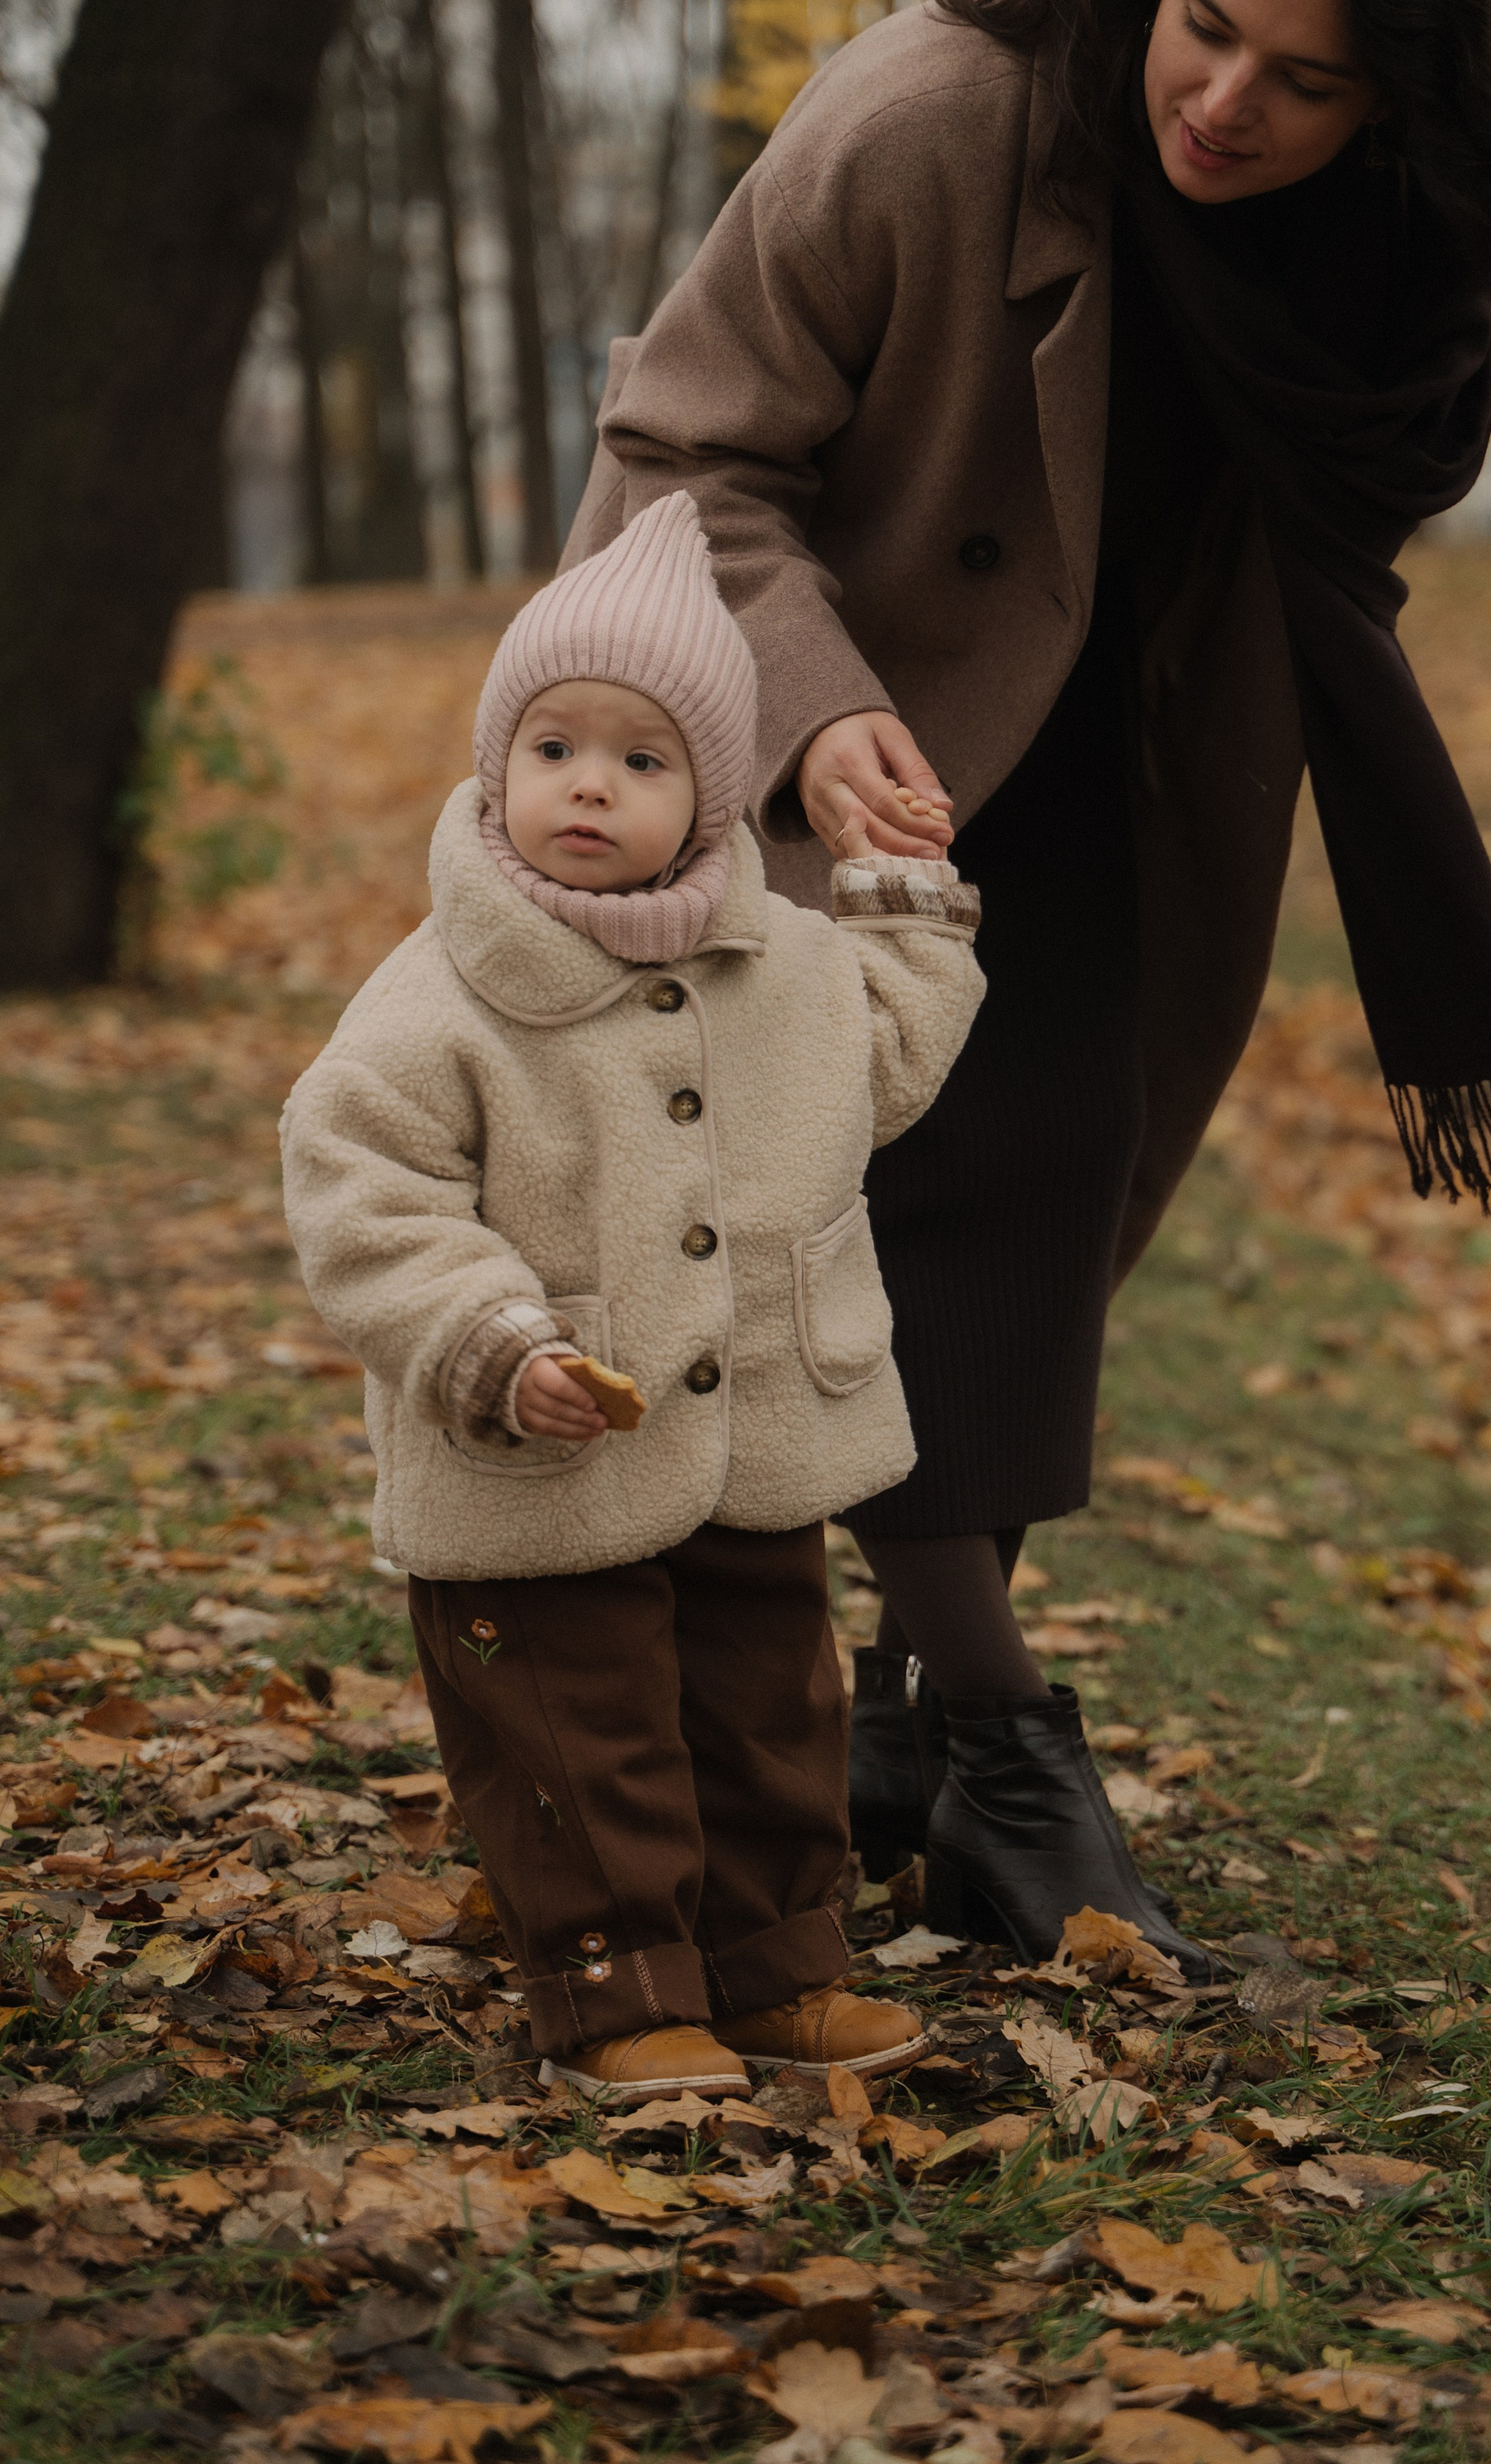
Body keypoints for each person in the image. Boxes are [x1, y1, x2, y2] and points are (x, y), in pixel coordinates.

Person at [561, 0, 1491, 1974]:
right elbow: (685, 449)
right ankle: (1016, 1759)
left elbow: (1381, 478)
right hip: (845, 753)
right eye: (1205, 29)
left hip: (1144, 764)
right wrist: (819, 694)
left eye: (1309, 81)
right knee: (930, 1230)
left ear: (1402, 106)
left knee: (1035, 1250)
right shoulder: (929, 118)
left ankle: (894, 1749)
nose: (1230, 102)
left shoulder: (1391, 251)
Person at [279, 494, 984, 2098]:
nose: (589, 783)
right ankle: (611, 1989)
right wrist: (486, 1335)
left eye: (643, 758)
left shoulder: (780, 961)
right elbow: (362, 1186)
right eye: (553, 746)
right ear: (494, 767)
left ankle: (771, 1961)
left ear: (715, 797)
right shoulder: (441, 992)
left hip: (746, 1432)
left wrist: (898, 903)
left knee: (767, 1705)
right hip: (538, 1447)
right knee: (575, 1728)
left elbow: (879, 1060)